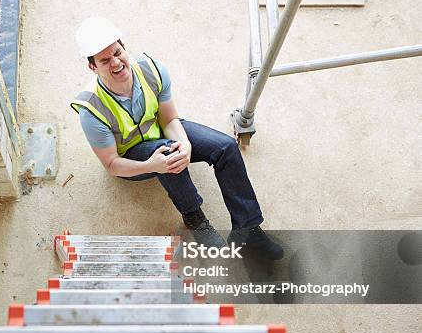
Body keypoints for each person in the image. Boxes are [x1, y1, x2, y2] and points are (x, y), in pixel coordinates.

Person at [71, 17, 283, 260]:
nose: (116, 63)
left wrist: (185, 143)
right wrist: (151, 165)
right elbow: (111, 165)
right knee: (169, 153)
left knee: (225, 147)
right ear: (93, 67)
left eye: (118, 53)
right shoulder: (91, 110)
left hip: (162, 131)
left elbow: (169, 119)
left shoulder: (151, 70)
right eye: (105, 61)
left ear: (124, 47)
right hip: (132, 157)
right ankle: (194, 217)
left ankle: (247, 230)